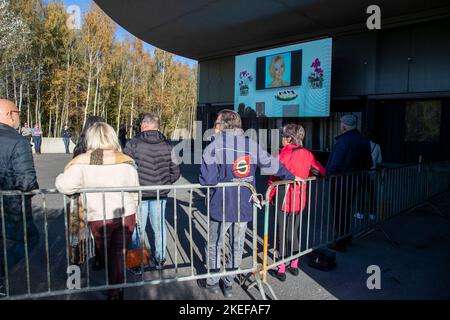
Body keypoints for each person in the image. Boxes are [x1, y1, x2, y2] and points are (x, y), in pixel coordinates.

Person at [197, 109, 295, 298]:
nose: (214, 127)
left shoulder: (214, 146)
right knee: (237, 244)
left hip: (221, 204)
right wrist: (290, 176)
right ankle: (228, 284)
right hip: (244, 203)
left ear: (224, 125)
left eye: (217, 123)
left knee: (214, 244)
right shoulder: (251, 144)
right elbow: (272, 165)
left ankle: (212, 282)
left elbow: (207, 180)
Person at [55, 122, 140, 300]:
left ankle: (115, 287)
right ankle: (117, 290)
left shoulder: (85, 162)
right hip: (126, 214)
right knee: (118, 254)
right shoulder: (124, 161)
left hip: (100, 216)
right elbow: (134, 190)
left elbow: (63, 185)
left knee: (107, 253)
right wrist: (136, 212)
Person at [266, 124, 326, 281]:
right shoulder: (307, 154)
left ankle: (281, 268)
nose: (281, 138)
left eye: (283, 135)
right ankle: (294, 264)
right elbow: (321, 171)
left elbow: (273, 178)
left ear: (289, 138)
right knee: (294, 230)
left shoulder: (283, 155)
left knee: (281, 232)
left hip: (283, 198)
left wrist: (268, 196)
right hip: (300, 198)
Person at [124, 113, 180, 271]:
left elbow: (125, 169)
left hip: (139, 194)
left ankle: (136, 263)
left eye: (142, 123)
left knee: (137, 229)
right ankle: (160, 259)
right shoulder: (168, 145)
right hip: (159, 194)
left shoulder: (132, 144)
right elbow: (176, 171)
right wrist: (165, 184)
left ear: (144, 125)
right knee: (159, 227)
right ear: (158, 126)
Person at [0, 99, 40, 295]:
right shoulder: (18, 141)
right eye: (17, 112)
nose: (19, 116)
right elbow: (26, 180)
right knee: (30, 239)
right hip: (11, 207)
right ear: (9, 114)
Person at [326, 115, 373, 252]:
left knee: (339, 211)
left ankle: (340, 242)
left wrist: (328, 175)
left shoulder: (343, 141)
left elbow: (335, 164)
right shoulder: (364, 141)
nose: (340, 126)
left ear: (344, 126)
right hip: (354, 181)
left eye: (341, 124)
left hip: (340, 181)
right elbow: (368, 163)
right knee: (347, 210)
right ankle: (346, 238)